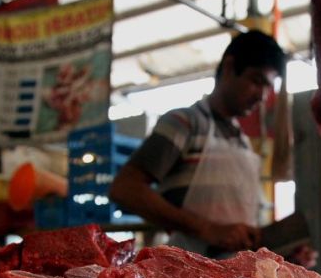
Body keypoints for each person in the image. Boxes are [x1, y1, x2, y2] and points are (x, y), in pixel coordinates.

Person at [110, 30, 286, 256]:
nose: (262, 96)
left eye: (268, 86)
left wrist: (283, 249)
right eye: (256, 81)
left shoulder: (242, 141)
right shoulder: (184, 123)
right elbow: (125, 188)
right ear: (230, 68)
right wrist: (208, 229)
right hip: (187, 275)